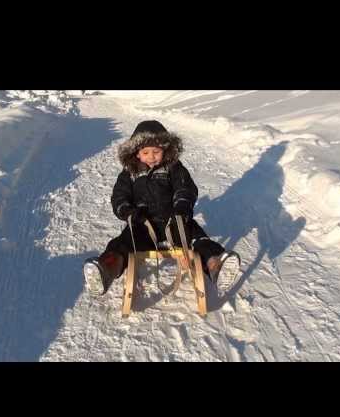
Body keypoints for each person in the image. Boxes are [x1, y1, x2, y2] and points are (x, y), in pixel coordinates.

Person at [83, 120, 241, 296]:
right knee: (124, 242)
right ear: (136, 154)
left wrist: (181, 206)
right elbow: (119, 197)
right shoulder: (130, 173)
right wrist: (127, 211)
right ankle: (107, 268)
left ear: (165, 150)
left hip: (173, 222)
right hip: (143, 224)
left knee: (197, 237)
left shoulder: (173, 168)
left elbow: (185, 188)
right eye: (146, 152)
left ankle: (215, 265)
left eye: (156, 152)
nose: (151, 157)